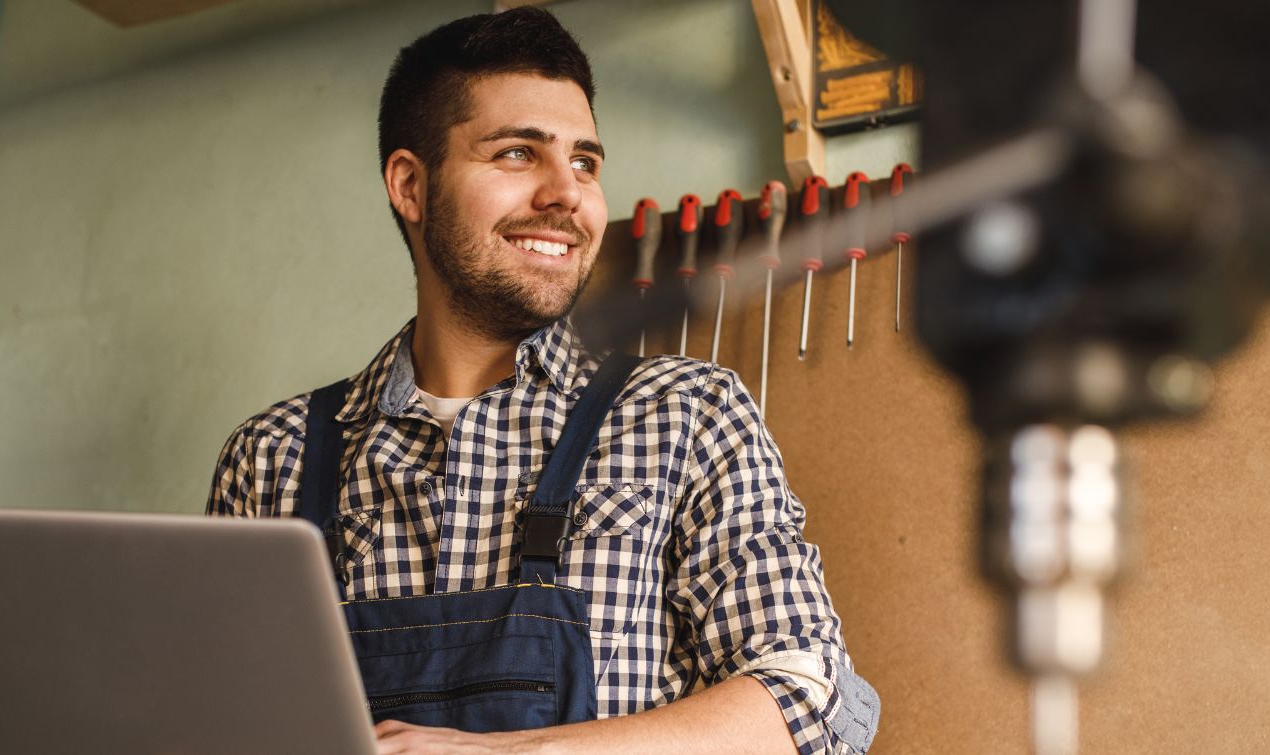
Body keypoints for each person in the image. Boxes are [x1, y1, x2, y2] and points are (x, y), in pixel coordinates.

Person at [207, 8, 878, 754]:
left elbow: (808, 690)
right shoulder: (272, 459)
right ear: (410, 185)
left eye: (586, 162)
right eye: (519, 154)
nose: (569, 193)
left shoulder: (687, 414)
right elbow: (221, 718)